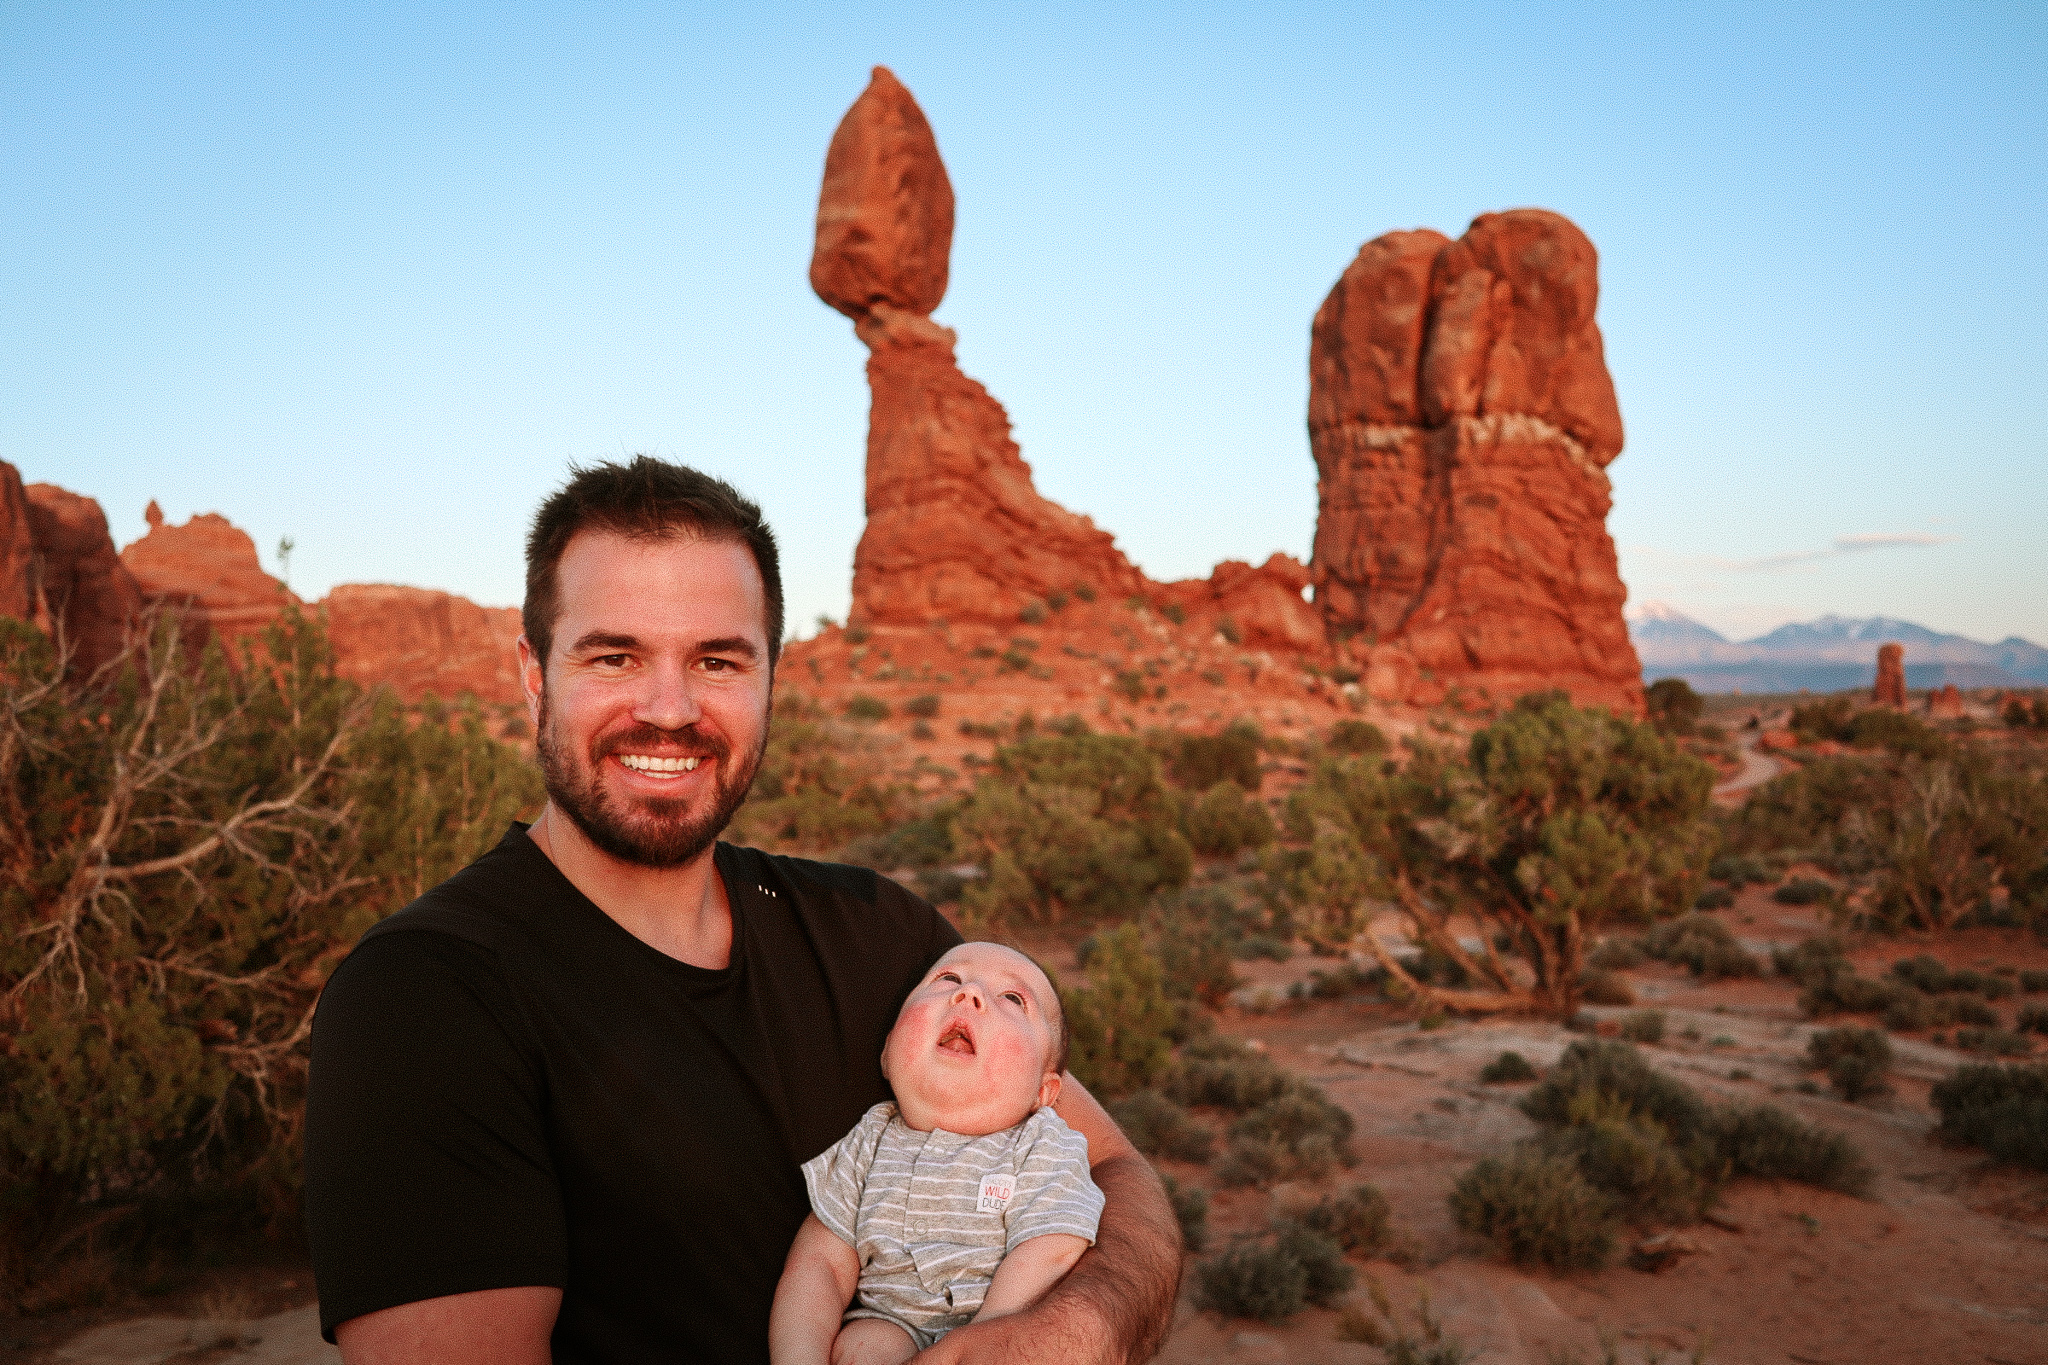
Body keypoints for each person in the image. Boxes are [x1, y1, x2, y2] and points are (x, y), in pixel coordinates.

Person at [303, 458, 1181, 1365]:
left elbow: (1116, 1171)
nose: (669, 710)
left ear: (771, 678)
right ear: (534, 673)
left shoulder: (880, 934)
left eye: (717, 660)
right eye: (615, 656)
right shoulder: (424, 998)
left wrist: (1061, 1334)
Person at [770, 943, 1101, 1365]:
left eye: (1013, 998)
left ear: (1044, 1091)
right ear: (888, 1053)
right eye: (949, 979)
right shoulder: (867, 1142)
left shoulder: (1043, 1143)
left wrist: (982, 1343)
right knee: (864, 1347)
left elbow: (1052, 1246)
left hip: (1001, 1326)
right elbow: (819, 1266)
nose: (969, 994)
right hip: (895, 1323)